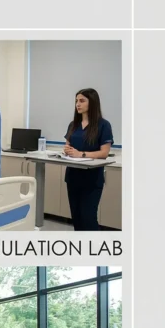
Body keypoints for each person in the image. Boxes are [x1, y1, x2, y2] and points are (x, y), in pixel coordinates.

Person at [63, 88, 114, 231]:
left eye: (82, 101)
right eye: (76, 101)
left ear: (92, 103)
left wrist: (82, 154)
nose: (77, 104)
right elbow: (67, 146)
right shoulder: (73, 125)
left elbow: (104, 152)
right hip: (72, 177)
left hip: (91, 179)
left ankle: (94, 250)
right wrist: (67, 150)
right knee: (77, 217)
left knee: (88, 217)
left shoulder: (103, 125)